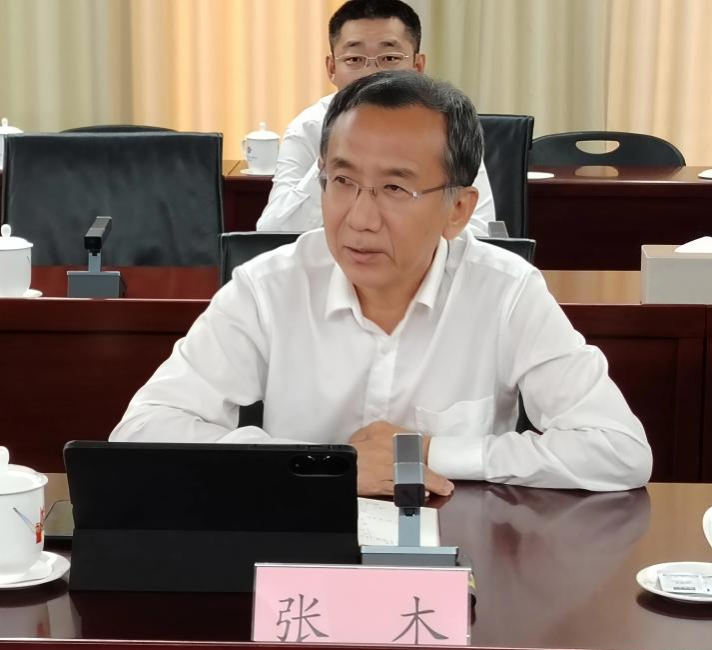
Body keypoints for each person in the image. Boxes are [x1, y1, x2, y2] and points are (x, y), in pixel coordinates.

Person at [110, 70, 652, 495]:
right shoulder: (267, 287)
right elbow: (143, 431)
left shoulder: (506, 292)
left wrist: (429, 453)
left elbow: (618, 449)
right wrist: (324, 464)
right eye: (343, 181)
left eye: (395, 189)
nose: (360, 218)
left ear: (458, 210)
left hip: (459, 554)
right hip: (300, 552)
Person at [255, 0, 495, 235]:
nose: (371, 74)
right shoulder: (308, 128)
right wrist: (331, 161)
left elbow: (480, 230)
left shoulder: (447, 127)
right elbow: (273, 234)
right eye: (354, 60)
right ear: (332, 68)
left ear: (417, 66)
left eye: (389, 58)